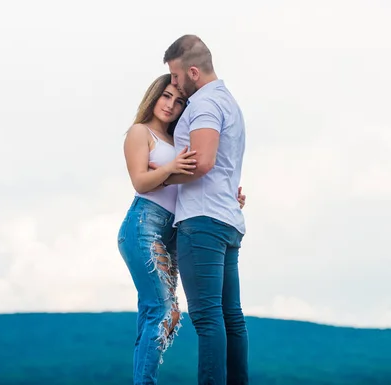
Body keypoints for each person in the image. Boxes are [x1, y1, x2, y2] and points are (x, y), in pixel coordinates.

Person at [117, 73, 246, 385]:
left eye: (178, 101)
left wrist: (229, 198)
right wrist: (171, 168)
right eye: (165, 96)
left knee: (169, 315)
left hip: (174, 232)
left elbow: (194, 183)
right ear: (154, 96)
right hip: (144, 225)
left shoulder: (181, 141)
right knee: (160, 310)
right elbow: (140, 182)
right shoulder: (140, 132)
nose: (170, 105)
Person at [158, 34, 249, 385]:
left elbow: (205, 161)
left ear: (193, 72)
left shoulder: (205, 105)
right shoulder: (229, 102)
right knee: (230, 318)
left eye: (176, 77)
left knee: (208, 318)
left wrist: (159, 178)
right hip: (226, 219)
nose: (174, 84)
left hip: (203, 221)